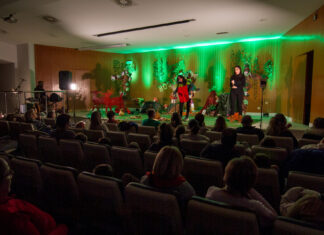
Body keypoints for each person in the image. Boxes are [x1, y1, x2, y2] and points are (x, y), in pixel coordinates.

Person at [0, 158, 68, 235]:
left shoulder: (7, 204)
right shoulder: (13, 216)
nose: (12, 174)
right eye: (9, 172)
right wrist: (64, 228)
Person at [206, 157, 277, 228]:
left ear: (226, 174)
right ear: (252, 181)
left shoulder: (212, 192)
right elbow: (274, 216)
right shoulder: (254, 206)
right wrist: (250, 188)